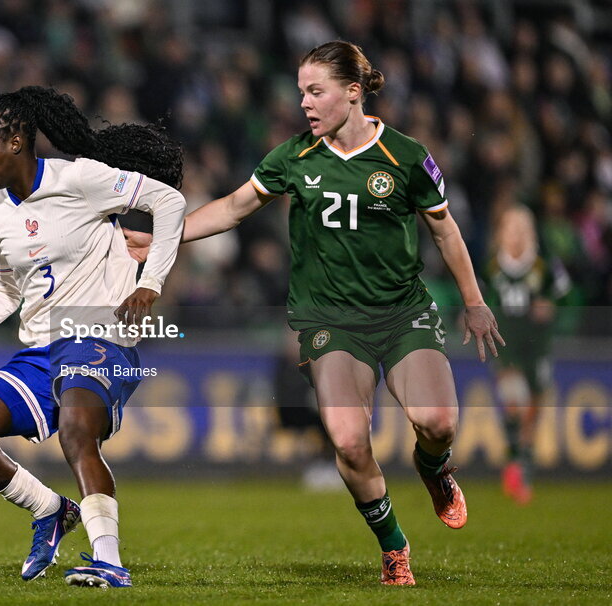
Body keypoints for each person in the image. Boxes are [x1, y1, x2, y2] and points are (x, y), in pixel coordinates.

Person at [126, 41, 504, 586]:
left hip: (400, 314)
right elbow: (234, 207)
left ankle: (434, 468)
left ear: (353, 93)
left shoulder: (405, 156)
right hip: (329, 321)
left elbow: (444, 228)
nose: (303, 102)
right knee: (349, 440)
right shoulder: (293, 157)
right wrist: (165, 237)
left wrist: (474, 302)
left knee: (438, 423)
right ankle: (394, 547)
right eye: (301, 91)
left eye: (315, 91)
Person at [0, 86, 186, 588]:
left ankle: (109, 560)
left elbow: (169, 202)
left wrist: (149, 285)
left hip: (100, 334)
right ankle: (50, 509)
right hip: (41, 349)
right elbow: (4, 289)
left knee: (75, 431)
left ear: (18, 142)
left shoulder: (80, 178)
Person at [485, 205, 570, 504]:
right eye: (512, 228)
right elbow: (479, 294)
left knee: (532, 407)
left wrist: (549, 304)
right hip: (506, 342)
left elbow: (564, 293)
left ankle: (521, 465)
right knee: (513, 400)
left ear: (531, 233)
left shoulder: (544, 266)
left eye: (523, 228)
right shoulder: (492, 266)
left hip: (538, 344)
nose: (517, 235)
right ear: (501, 233)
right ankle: (516, 468)